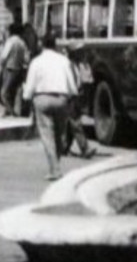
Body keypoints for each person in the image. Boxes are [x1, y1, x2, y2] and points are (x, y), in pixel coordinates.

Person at [22, 32, 88, 180]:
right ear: (55, 44)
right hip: (61, 99)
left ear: (42, 44)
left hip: (42, 99)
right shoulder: (64, 61)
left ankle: (55, 169)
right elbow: (71, 83)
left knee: (47, 136)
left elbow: (30, 85)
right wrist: (72, 95)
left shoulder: (36, 62)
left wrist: (26, 97)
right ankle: (55, 165)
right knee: (59, 135)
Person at [0, 26, 31, 117]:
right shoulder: (22, 42)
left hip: (9, 68)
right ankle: (8, 111)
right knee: (13, 91)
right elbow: (27, 58)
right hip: (19, 69)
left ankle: (11, 111)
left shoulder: (10, 41)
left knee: (3, 92)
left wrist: (0, 64)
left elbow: (4, 56)